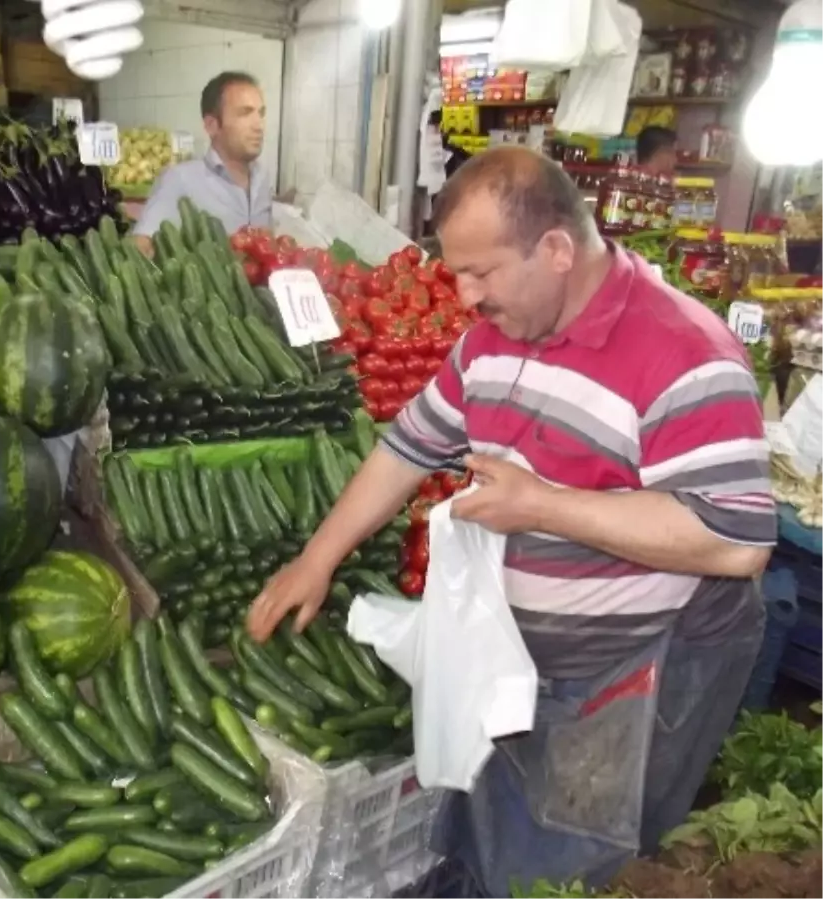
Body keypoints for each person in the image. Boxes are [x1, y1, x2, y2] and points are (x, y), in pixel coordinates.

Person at [246, 146, 773, 897]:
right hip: (521, 659)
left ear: (556, 249)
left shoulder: (687, 355)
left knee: (571, 867)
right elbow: (407, 447)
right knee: (491, 843)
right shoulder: (490, 341)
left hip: (632, 676)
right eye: (455, 272)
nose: (463, 296)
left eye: (481, 273)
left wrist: (543, 506)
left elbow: (733, 540)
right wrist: (318, 556)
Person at [132, 71, 271, 255]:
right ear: (211, 125)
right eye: (244, 113)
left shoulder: (262, 177)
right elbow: (140, 248)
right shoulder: (180, 179)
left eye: (261, 113)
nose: (259, 125)